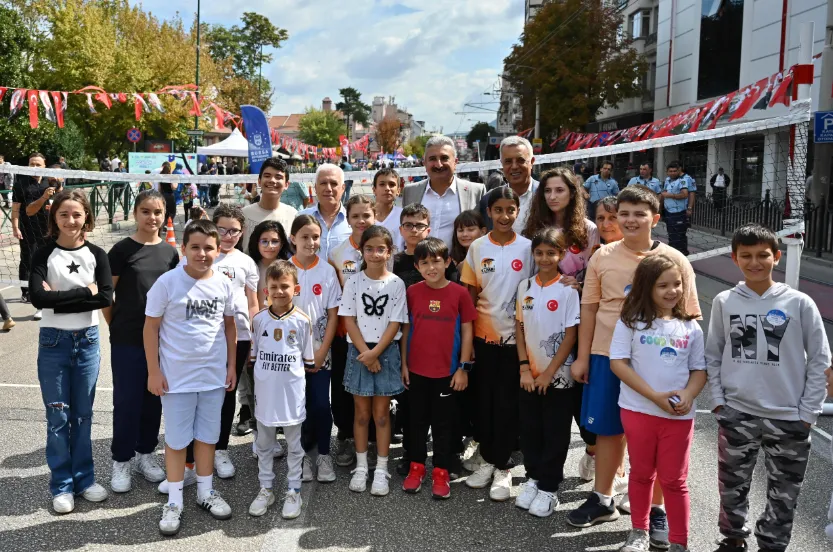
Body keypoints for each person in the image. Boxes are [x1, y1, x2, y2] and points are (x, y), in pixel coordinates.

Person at [568, 185, 700, 534]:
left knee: (655, 433)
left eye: (639, 214)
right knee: (608, 431)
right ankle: (603, 498)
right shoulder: (602, 255)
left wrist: (690, 375)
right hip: (606, 356)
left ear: (655, 219)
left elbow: (690, 317)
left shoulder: (676, 260)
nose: (629, 220)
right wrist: (583, 357)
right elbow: (590, 307)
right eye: (623, 213)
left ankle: (655, 507)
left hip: (658, 361)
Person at [706, 223, 831, 552]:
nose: (755, 262)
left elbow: (820, 359)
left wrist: (808, 412)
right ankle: (733, 538)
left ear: (777, 256)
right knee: (732, 486)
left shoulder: (799, 303)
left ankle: (772, 544)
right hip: (738, 413)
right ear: (734, 258)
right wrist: (719, 401)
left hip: (789, 417)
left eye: (763, 255)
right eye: (745, 256)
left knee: (784, 492)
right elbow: (713, 355)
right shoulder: (724, 301)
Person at [145, 220, 237, 536]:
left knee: (208, 438)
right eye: (195, 247)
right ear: (183, 249)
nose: (202, 253)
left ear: (218, 249)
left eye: (208, 248)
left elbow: (229, 327)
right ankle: (174, 500)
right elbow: (151, 328)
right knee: (176, 441)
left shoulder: (224, 283)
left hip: (212, 378)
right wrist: (154, 371)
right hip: (177, 380)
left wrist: (231, 366)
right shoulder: (167, 283)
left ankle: (205, 491)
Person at [609, 254, 707, 552]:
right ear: (646, 287)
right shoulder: (630, 322)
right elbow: (618, 364)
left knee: (674, 480)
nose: (672, 291)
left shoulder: (691, 327)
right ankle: (639, 531)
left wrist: (689, 395)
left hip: (678, 418)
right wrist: (654, 397)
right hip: (638, 412)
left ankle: (679, 542)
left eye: (677, 284)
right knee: (641, 473)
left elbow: (699, 370)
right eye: (662, 285)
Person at [29, 189, 114, 514]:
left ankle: (85, 479)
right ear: (54, 218)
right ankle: (62, 485)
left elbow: (105, 298)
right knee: (58, 416)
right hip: (53, 343)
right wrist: (84, 292)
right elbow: (38, 298)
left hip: (88, 342)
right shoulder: (43, 254)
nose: (70, 220)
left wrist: (60, 298)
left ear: (87, 217)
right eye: (63, 214)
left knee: (83, 416)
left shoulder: (97, 255)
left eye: (76, 214)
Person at [103, 190, 178, 494]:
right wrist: (118, 325)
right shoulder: (121, 250)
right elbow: (107, 296)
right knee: (126, 402)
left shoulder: (171, 253)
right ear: (135, 213)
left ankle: (146, 454)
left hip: (162, 342)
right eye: (146, 211)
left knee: (153, 400)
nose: (152, 217)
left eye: (157, 212)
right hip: (127, 340)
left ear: (164, 216)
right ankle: (121, 459)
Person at [461, 187, 533, 501]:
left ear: (518, 212)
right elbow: (469, 296)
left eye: (511, 210)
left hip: (518, 341)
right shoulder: (477, 247)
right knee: (485, 403)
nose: (505, 216)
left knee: (508, 404)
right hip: (483, 338)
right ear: (489, 212)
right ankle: (489, 461)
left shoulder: (529, 248)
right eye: (498, 210)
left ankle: (504, 468)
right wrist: (469, 341)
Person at [400, 237, 476, 499]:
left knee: (444, 425)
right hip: (417, 372)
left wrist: (463, 367)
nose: (431, 267)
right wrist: (404, 364)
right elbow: (406, 329)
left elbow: (467, 331)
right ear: (417, 266)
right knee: (416, 422)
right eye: (425, 263)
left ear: (447, 262)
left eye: (436, 261)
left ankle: (441, 470)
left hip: (447, 373)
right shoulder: (412, 293)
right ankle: (417, 467)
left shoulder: (460, 293)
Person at [513, 228, 581, 518]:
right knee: (530, 429)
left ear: (561, 254)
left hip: (558, 378)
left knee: (555, 432)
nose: (544, 258)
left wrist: (549, 374)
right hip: (530, 376)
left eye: (551, 253)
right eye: (539, 252)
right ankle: (533, 477)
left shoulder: (568, 289)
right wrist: (525, 368)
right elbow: (519, 328)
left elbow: (569, 336)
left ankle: (550, 487)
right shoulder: (524, 286)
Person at [338, 226, 408, 496]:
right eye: (370, 248)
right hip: (359, 352)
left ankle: (381, 468)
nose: (375, 254)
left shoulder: (396, 284)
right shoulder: (354, 282)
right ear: (361, 250)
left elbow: (395, 322)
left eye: (381, 249)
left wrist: (376, 353)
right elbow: (349, 319)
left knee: (381, 415)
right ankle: (361, 466)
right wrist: (366, 355)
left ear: (389, 251)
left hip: (385, 351)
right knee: (361, 414)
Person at [392, 203, 456, 476]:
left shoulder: (440, 259)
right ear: (401, 228)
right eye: (409, 225)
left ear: (428, 228)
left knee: (444, 413)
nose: (414, 229)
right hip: (403, 341)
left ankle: (446, 459)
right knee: (410, 408)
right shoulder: (394, 263)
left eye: (420, 225)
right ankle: (412, 457)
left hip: (439, 344)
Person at [248, 260, 315, 520]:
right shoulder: (259, 320)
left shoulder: (302, 321)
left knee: (294, 446)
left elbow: (308, 361)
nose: (278, 291)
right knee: (264, 444)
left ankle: (293, 489)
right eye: (273, 286)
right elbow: (254, 357)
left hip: (291, 395)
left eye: (284, 286)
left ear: (295, 288)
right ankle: (266, 488)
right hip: (265, 395)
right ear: (265, 290)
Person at [199, 205, 260, 480]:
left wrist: (255, 337)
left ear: (241, 232)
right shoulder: (202, 257)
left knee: (228, 393)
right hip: (205, 337)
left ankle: (221, 449)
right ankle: (198, 451)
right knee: (202, 395)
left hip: (239, 337)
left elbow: (253, 302)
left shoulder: (246, 262)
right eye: (222, 229)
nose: (227, 235)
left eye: (234, 230)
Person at [289, 216, 342, 484]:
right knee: (297, 407)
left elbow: (333, 316)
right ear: (293, 239)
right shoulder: (284, 269)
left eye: (315, 237)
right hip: (289, 354)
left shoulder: (327, 271)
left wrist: (322, 352)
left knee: (321, 404)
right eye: (305, 237)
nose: (311, 242)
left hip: (321, 351)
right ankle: (300, 457)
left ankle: (323, 454)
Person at [327, 194, 378, 467]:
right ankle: (345, 435)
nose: (361, 221)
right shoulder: (337, 254)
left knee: (373, 386)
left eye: (366, 215)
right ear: (348, 218)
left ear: (374, 216)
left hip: (377, 333)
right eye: (355, 216)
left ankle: (372, 439)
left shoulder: (383, 246)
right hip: (346, 333)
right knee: (344, 386)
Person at [401, 135, 485, 246]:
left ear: (455, 162)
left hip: (463, 263)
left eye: (444, 158)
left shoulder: (475, 191)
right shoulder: (410, 192)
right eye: (432, 159)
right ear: (424, 163)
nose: (438, 164)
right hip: (419, 262)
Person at [523, 167, 600, 288]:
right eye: (547, 191)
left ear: (572, 193)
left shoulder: (589, 229)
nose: (552, 197)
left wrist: (580, 285)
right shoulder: (535, 226)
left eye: (559, 190)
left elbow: (593, 271)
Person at [12, 152, 56, 317]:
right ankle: (26, 292)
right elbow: (16, 209)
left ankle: (46, 291)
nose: (35, 167)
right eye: (32, 164)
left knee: (49, 261)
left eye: (38, 164)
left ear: (44, 166)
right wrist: (15, 227)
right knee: (28, 259)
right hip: (27, 228)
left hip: (48, 229)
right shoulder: (20, 183)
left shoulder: (50, 181)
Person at [478, 136, 538, 232]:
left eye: (520, 160)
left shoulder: (547, 194)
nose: (514, 166)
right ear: (501, 164)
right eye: (508, 161)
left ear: (532, 162)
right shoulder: (488, 199)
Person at [240, 158, 298, 251]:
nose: (272, 180)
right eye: (267, 176)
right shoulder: (243, 214)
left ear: (287, 184)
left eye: (278, 177)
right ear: (259, 181)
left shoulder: (293, 215)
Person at [298, 163, 351, 260]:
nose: (328, 189)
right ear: (315, 187)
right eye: (323, 183)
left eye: (334, 184)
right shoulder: (301, 218)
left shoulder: (354, 221)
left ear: (343, 188)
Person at [248, 220, 293, 310]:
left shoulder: (290, 268)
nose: (269, 246)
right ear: (257, 243)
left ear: (281, 244)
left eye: (275, 241)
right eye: (264, 241)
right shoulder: (249, 266)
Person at [662, 162, 690, 256]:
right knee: (671, 234)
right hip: (668, 212)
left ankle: (682, 255)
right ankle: (672, 254)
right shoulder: (667, 180)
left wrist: (669, 195)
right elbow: (664, 192)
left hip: (678, 212)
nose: (673, 173)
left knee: (679, 235)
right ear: (667, 172)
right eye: (670, 171)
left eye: (675, 171)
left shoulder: (683, 180)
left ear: (679, 171)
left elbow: (685, 194)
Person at [372, 168, 404, 253]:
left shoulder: (404, 216)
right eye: (382, 184)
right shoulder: (365, 216)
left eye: (392, 184)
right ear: (374, 190)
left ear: (398, 191)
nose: (387, 188)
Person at [158, 162, 177, 234]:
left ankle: (163, 227)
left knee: (165, 212)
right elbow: (174, 187)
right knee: (172, 212)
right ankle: (168, 225)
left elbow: (159, 188)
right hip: (170, 195)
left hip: (163, 195)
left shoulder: (160, 176)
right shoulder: (171, 176)